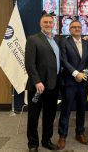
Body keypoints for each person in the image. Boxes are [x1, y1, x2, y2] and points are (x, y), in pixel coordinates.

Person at [25, 14, 60, 152]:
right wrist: (37, 81)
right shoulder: (33, 39)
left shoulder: (56, 40)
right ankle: (33, 144)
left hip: (53, 85)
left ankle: (47, 141)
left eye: (50, 22)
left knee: (49, 115)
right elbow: (29, 63)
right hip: (38, 86)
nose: (48, 24)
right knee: (33, 116)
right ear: (40, 24)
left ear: (54, 24)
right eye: (45, 22)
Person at [57, 20, 88, 150]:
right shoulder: (64, 42)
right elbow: (63, 61)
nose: (77, 29)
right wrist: (75, 73)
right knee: (66, 110)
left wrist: (84, 73)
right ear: (69, 29)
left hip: (83, 82)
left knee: (82, 110)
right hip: (69, 82)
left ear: (82, 28)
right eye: (74, 27)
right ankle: (62, 136)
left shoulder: (87, 43)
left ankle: (80, 133)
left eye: (79, 27)